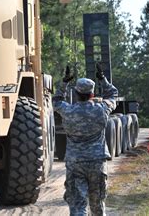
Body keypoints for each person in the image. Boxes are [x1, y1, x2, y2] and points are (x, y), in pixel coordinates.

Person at [53, 64, 118, 216]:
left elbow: (56, 101)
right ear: (92, 94)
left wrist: (65, 82)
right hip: (97, 162)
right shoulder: (101, 109)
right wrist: (102, 79)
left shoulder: (68, 111)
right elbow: (112, 94)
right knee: (97, 205)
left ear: (76, 93)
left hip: (75, 163)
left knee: (77, 205)